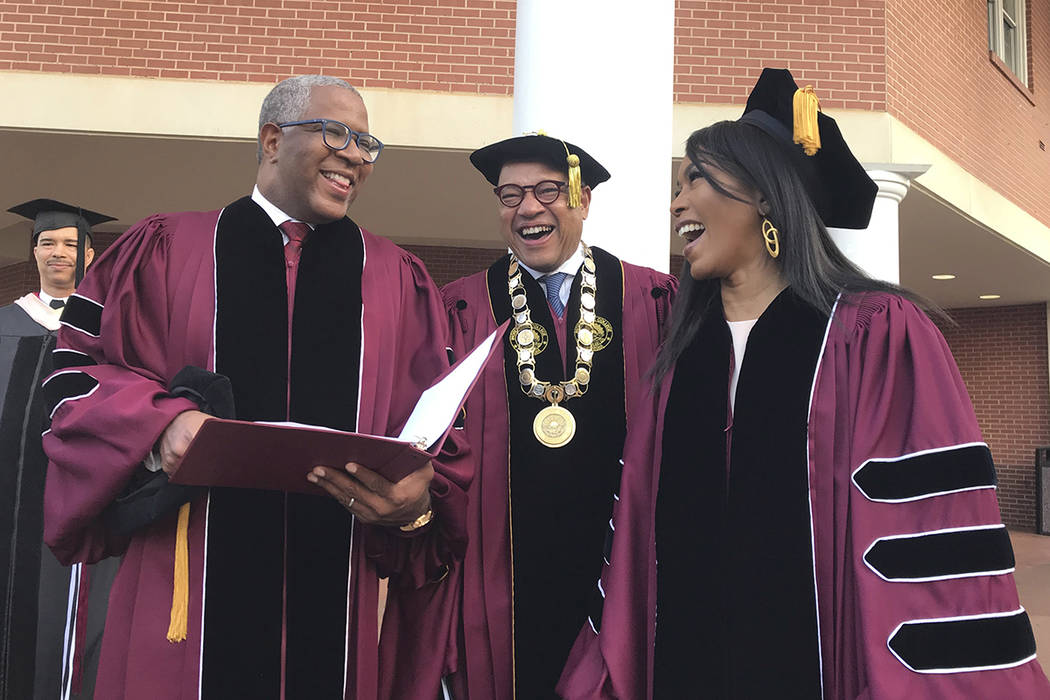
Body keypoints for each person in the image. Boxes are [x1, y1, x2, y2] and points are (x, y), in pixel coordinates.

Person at [557, 68, 1050, 699]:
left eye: (696, 178)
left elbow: (933, 541)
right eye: (676, 184)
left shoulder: (874, 335)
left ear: (765, 195)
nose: (676, 201)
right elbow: (633, 547)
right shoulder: (680, 358)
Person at [40, 75, 471, 700]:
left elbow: (439, 428)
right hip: (187, 584)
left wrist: (416, 502)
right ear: (272, 139)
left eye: (367, 142)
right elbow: (74, 374)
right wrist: (158, 425)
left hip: (335, 592)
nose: (355, 155)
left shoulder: (397, 281)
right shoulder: (165, 248)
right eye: (337, 134)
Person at [378, 133, 676, 699]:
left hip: (622, 560)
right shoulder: (459, 308)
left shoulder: (651, 299)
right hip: (498, 572)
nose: (528, 208)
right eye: (509, 195)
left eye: (548, 191)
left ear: (583, 201)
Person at [0, 199, 118, 700]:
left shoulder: (111, 326)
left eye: (70, 244)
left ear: (89, 255)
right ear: (35, 253)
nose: (58, 253)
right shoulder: (6, 322)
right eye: (48, 243)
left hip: (81, 493)